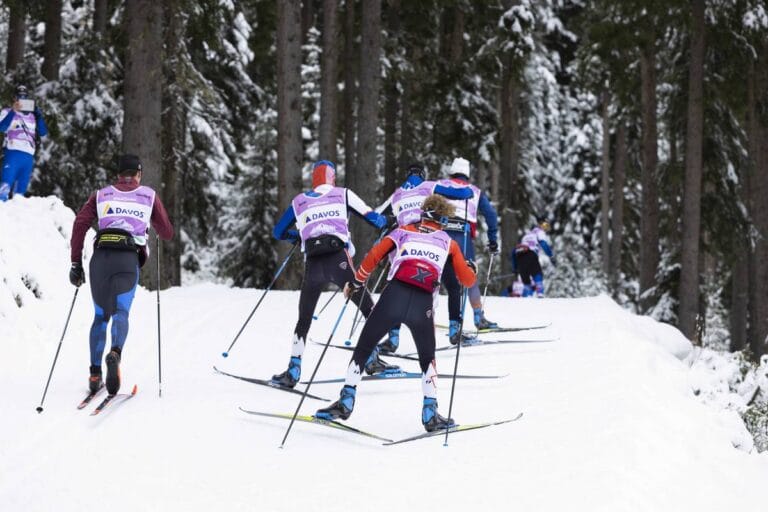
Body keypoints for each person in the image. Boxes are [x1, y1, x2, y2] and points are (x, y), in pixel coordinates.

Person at [315, 194, 477, 432]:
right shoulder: (448, 242)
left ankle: (346, 401)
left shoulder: (402, 231)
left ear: (423, 213)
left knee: (365, 346)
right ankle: (430, 413)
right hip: (423, 303)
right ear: (442, 221)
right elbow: (467, 279)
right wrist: (473, 268)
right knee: (427, 357)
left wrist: (357, 282)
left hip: (394, 296)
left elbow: (374, 256)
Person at [271, 160, 392, 388]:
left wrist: (297, 237)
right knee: (369, 309)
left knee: (304, 318)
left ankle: (293, 370)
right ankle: (372, 359)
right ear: (332, 178)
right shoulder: (342, 194)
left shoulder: (300, 201)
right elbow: (373, 218)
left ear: (313, 179)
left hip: (314, 264)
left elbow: (278, 231)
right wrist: (390, 222)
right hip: (339, 261)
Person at [69, 154, 174, 395]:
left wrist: (76, 263)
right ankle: (115, 353)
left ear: (118, 175)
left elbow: (80, 224)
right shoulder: (148, 196)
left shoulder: (101, 194)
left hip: (101, 259)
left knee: (100, 316)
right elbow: (167, 232)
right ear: (139, 174)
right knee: (121, 312)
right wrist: (152, 223)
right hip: (128, 259)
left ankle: (94, 375)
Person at [373, 163, 472, 354]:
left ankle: (392, 339)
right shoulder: (428, 186)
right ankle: (454, 330)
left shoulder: (397, 194)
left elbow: (378, 215)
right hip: (430, 241)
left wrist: (388, 227)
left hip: (404, 245)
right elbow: (459, 194)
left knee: (396, 289)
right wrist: (467, 191)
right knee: (449, 284)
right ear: (422, 175)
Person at [437, 157, 499, 343]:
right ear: (467, 175)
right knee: (468, 276)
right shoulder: (474, 191)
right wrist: (492, 239)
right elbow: (491, 214)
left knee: (436, 276)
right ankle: (478, 317)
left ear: (452, 172)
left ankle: (425, 315)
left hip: (441, 236)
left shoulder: (440, 185)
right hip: (462, 237)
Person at [0, 85, 49, 201]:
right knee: (4, 187)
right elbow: (2, 127)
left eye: (24, 97)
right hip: (13, 152)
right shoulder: (6, 111)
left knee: (20, 194)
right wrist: (13, 111)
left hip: (28, 155)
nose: (21, 99)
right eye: (19, 97)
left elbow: (43, 132)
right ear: (14, 98)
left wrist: (38, 116)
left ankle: (16, 215)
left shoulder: (32, 116)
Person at [512, 217, 555, 297]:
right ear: (540, 225)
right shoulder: (539, 232)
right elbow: (543, 244)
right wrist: (551, 255)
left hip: (519, 256)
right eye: (545, 225)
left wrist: (515, 268)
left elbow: (513, 252)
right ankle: (540, 293)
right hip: (530, 254)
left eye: (547, 226)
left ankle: (527, 297)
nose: (546, 228)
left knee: (526, 281)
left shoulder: (527, 235)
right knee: (537, 274)